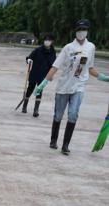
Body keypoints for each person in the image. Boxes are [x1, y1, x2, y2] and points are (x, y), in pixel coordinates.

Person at [35, 19, 109, 154]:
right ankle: (53, 140)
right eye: (80, 30)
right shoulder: (68, 48)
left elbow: (90, 68)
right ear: (76, 31)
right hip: (64, 86)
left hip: (79, 86)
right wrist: (44, 83)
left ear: (87, 31)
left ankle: (65, 145)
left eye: (84, 30)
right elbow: (55, 66)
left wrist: (103, 77)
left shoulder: (91, 47)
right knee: (58, 115)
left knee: (73, 115)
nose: (82, 32)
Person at [23, 35, 56, 116]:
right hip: (34, 72)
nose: (47, 41)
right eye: (46, 40)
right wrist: (29, 60)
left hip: (43, 74)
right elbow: (29, 58)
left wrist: (51, 75)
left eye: (49, 40)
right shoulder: (38, 50)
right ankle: (24, 106)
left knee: (39, 90)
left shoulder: (52, 52)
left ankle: (36, 110)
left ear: (52, 42)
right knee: (30, 89)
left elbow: (54, 64)